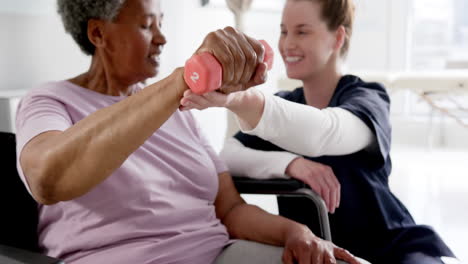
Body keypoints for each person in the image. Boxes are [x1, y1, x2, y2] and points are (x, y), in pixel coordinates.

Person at [14, 0, 368, 263]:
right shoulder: (49, 101)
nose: (161, 38)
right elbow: (48, 179)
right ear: (98, 33)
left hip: (217, 253)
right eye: (147, 25)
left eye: (161, 24)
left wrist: (297, 233)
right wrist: (181, 80)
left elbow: (229, 209)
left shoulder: (179, 108)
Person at [179, 0, 458, 263]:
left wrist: (239, 100)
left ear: (337, 38)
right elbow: (228, 156)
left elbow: (323, 132)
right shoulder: (287, 104)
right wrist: (290, 164)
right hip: (322, 250)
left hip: (394, 250)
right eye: (284, 31)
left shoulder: (368, 98)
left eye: (302, 32)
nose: (288, 43)